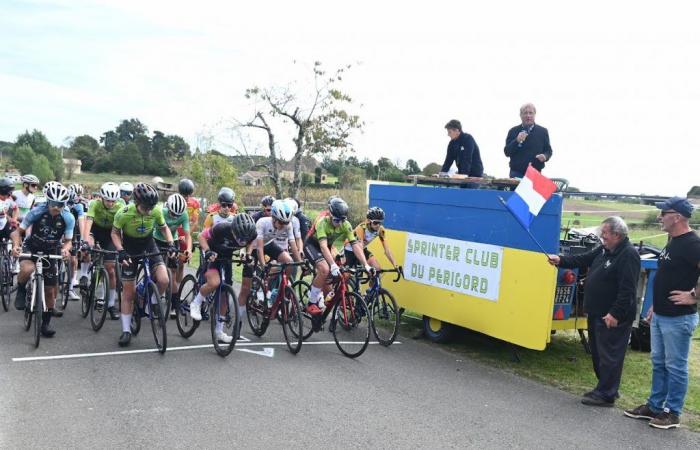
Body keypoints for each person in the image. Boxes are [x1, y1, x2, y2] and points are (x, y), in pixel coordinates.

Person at [548, 216, 640, 407]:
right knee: (598, 353)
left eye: (604, 233)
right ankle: (604, 388)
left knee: (610, 355)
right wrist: (560, 260)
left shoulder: (628, 254)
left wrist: (615, 313)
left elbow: (628, 289)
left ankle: (607, 393)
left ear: (616, 234)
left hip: (612, 316)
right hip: (597, 311)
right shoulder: (606, 249)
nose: (601, 237)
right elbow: (584, 258)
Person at [624, 197, 699, 429]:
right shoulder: (674, 241)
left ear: (677, 217)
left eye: (663, 213)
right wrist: (656, 306)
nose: (659, 217)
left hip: (679, 317)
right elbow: (670, 277)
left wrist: (694, 296)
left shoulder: (692, 243)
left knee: (675, 365)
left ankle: (672, 412)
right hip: (662, 314)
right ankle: (655, 406)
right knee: (658, 362)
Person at [111, 183, 176, 347]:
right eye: (145, 207)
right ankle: (126, 330)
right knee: (128, 293)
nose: (149, 210)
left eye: (151, 207)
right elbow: (114, 233)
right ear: (136, 202)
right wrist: (120, 250)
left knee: (164, 279)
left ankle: (152, 303)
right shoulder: (123, 213)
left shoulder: (156, 210)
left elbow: (164, 228)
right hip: (130, 248)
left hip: (148, 244)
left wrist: (170, 244)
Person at [11, 182, 74, 337]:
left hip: (52, 250)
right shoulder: (36, 212)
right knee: (27, 268)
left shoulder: (68, 217)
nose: (56, 207)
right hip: (32, 246)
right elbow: (18, 232)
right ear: (47, 201)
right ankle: (20, 289)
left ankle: (45, 324)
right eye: (53, 203)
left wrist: (66, 250)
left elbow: (68, 240)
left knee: (50, 291)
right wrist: (16, 246)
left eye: (60, 204)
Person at [191, 213, 257, 342]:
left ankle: (219, 331)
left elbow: (250, 243)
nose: (241, 241)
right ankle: (197, 302)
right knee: (215, 283)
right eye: (239, 237)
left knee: (225, 294)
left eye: (244, 238)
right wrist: (208, 251)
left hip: (226, 257)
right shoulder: (221, 228)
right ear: (233, 229)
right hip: (213, 254)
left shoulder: (251, 233)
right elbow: (201, 236)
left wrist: (248, 254)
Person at [303, 197, 373, 315]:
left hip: (328, 246)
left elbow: (355, 245)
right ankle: (311, 302)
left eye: (342, 220)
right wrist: (332, 265)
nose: (339, 223)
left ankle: (326, 300)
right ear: (330, 214)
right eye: (336, 220)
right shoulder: (322, 222)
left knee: (336, 274)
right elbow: (323, 247)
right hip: (312, 245)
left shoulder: (346, 225)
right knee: (325, 269)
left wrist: (366, 265)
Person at [84, 182, 124, 320]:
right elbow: (88, 222)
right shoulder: (94, 204)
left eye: (113, 201)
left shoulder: (121, 206)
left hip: (110, 234)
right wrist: (86, 239)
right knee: (88, 245)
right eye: (108, 200)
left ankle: (111, 304)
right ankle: (87, 275)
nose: (111, 204)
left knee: (110, 269)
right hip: (95, 231)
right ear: (101, 197)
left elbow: (123, 226)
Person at [153, 193, 191, 316]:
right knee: (156, 270)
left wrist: (189, 249)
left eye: (177, 215)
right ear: (168, 207)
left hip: (172, 241)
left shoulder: (184, 214)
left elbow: (187, 235)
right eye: (173, 213)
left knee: (172, 274)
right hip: (157, 239)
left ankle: (174, 305)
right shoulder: (160, 211)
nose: (175, 217)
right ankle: (152, 294)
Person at [504, 103, 553, 178]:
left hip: (535, 173)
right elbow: (507, 152)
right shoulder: (513, 131)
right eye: (525, 113)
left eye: (530, 113)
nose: (528, 116)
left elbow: (548, 150)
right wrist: (516, 141)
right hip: (516, 173)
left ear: (534, 114)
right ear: (520, 115)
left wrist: (545, 156)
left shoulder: (543, 131)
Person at [344, 207, 397, 272]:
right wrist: (365, 265)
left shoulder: (380, 230)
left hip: (362, 250)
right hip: (349, 250)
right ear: (368, 221)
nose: (378, 225)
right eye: (375, 223)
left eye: (380, 223)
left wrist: (395, 265)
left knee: (377, 269)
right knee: (346, 275)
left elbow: (387, 250)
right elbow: (360, 247)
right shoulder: (361, 228)